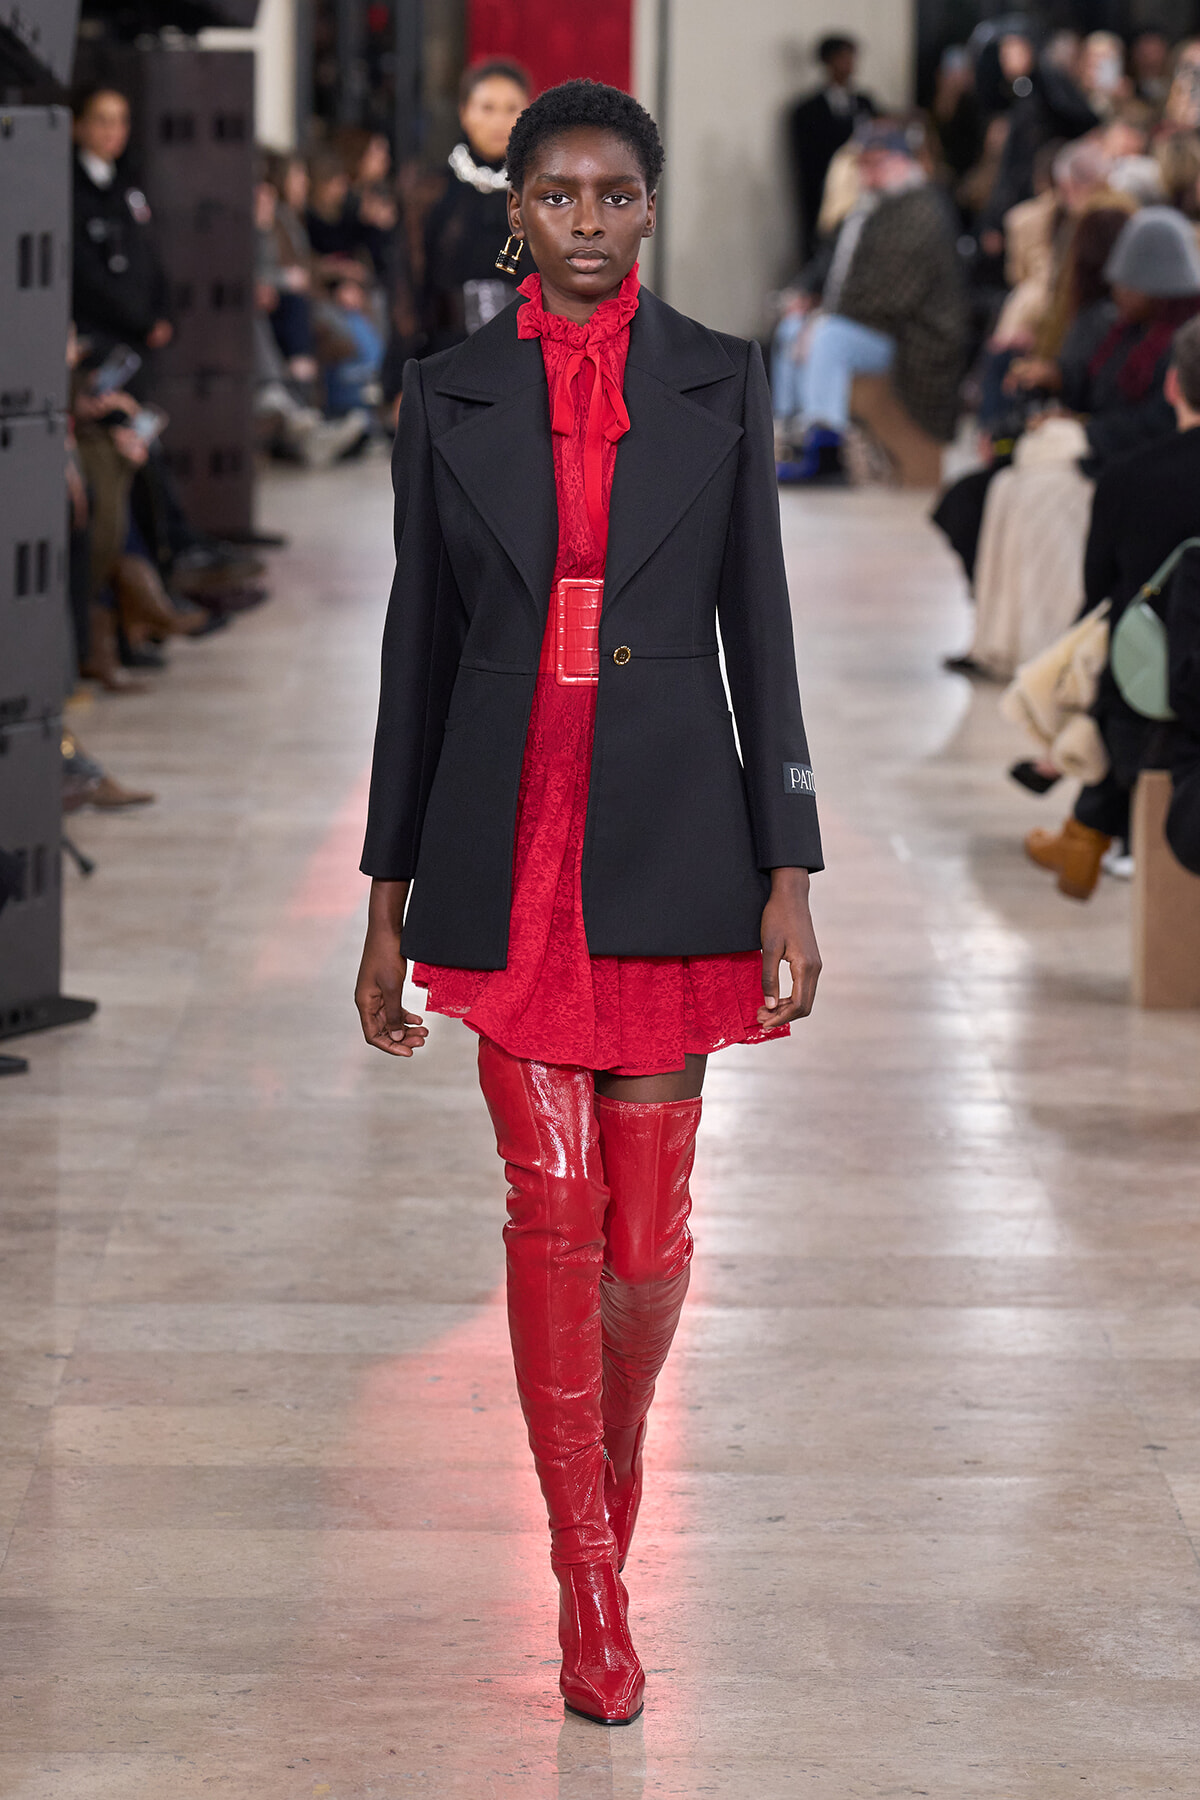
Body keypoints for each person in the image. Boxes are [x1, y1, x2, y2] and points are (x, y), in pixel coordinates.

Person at [354, 78, 822, 1727]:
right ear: (517, 212)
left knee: (644, 1238)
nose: (589, 222)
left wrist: (792, 872)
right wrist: (383, 894)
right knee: (548, 1212)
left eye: (616, 195)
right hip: (506, 844)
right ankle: (586, 1588)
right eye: (559, 195)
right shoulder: (451, 394)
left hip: (675, 846)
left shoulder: (716, 381)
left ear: (646, 207)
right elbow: (414, 656)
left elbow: (758, 634)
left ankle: (603, 1502)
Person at [1025, 315, 1200, 899]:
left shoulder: (1127, 478)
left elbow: (1099, 584)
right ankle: (1086, 830)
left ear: (1173, 384)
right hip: (1173, 688)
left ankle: (1088, 827)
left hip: (1145, 684)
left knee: (1109, 639)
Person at [777, 121, 967, 483]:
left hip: (917, 341)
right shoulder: (876, 207)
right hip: (879, 328)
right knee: (793, 328)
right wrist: (807, 305)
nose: (869, 172)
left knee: (828, 337)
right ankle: (796, 433)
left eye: (877, 162)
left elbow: (887, 297)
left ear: (902, 161)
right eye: (864, 164)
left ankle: (827, 449)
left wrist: (821, 319)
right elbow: (836, 273)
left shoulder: (920, 210)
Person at [71, 86, 172, 363]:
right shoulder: (69, 189)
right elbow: (84, 271)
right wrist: (138, 318)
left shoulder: (130, 184)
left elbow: (150, 253)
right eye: (102, 120)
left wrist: (162, 313)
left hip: (141, 337)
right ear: (77, 125)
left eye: (120, 121)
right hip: (99, 336)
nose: (112, 131)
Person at [787, 35, 876, 256]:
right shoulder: (807, 111)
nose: (850, 65)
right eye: (843, 58)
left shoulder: (864, 103)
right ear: (828, 62)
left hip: (864, 197)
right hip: (828, 199)